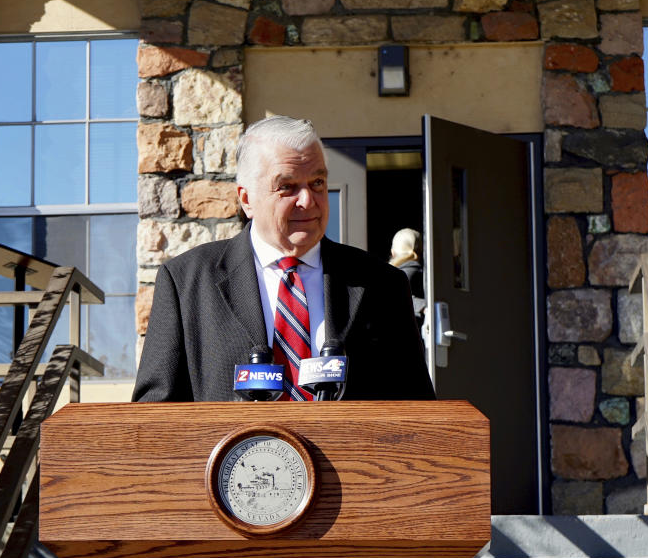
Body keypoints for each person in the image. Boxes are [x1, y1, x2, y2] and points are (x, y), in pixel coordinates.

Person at [132, 116, 435, 402]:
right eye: (287, 187)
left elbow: (417, 409)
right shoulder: (186, 282)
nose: (308, 200)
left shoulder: (382, 285)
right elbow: (155, 413)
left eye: (317, 183)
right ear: (247, 199)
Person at [390, 227, 426, 329]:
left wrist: (424, 307)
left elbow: (397, 297)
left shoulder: (405, 271)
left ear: (393, 253)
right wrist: (425, 307)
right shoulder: (412, 270)